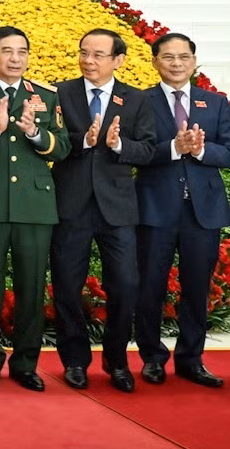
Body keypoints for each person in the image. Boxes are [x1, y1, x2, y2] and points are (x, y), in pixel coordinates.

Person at [0, 25, 70, 390]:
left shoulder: (47, 97)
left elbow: (63, 148)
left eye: (22, 51)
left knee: (31, 288)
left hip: (34, 205)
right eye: (7, 51)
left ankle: (25, 363)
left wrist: (36, 134)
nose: (16, 58)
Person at [51, 29, 155, 393]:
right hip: (71, 205)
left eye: (98, 55)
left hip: (118, 209)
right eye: (84, 53)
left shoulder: (137, 100)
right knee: (66, 286)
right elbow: (51, 145)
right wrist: (84, 141)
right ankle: (75, 361)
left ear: (118, 60)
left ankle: (116, 359)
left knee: (126, 285)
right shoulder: (59, 93)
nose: (88, 61)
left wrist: (118, 144)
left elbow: (147, 150)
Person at [135, 32, 230, 388]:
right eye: (168, 57)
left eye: (183, 57)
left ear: (194, 61)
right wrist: (173, 148)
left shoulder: (216, 103)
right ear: (155, 62)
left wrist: (198, 152)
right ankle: (151, 357)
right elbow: (136, 152)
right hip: (155, 208)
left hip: (202, 211)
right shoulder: (140, 102)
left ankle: (191, 359)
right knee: (151, 286)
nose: (176, 64)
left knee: (197, 287)